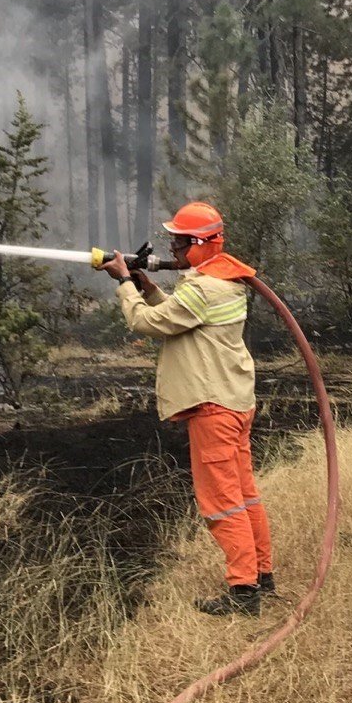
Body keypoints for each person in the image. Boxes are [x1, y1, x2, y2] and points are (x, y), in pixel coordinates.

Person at [100, 201, 274, 617]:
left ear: (199, 244)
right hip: (234, 402)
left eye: (179, 242)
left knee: (222, 502)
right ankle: (262, 575)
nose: (173, 250)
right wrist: (147, 286)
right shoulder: (221, 280)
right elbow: (181, 316)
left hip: (214, 408)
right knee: (245, 495)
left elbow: (147, 324)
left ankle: (244, 590)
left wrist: (124, 282)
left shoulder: (204, 287)